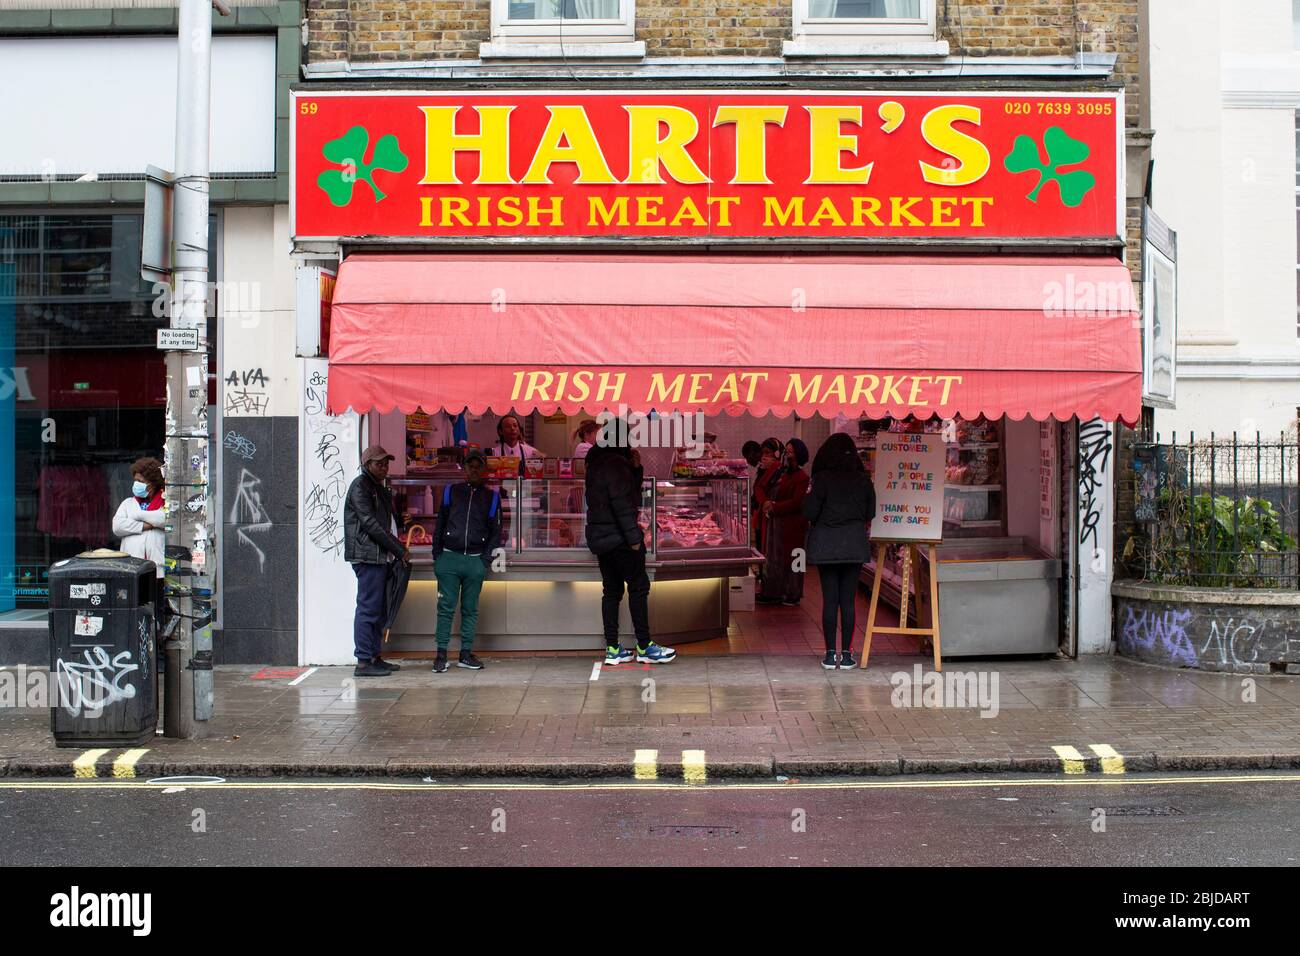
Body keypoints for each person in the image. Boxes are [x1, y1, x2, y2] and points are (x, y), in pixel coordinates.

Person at [584, 428, 675, 666]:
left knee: (611, 591)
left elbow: (621, 497)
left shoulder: (594, 462)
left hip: (601, 538)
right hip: (620, 538)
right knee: (638, 587)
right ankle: (644, 646)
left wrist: (635, 468)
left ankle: (613, 648)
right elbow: (625, 504)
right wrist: (634, 539)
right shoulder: (616, 464)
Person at [803, 433, 876, 669]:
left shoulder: (822, 479)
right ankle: (846, 656)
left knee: (829, 600)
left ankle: (829, 654)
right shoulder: (863, 480)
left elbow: (810, 513)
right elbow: (870, 513)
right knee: (848, 601)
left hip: (826, 545)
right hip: (853, 544)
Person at [430, 448, 502, 673]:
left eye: (478, 465)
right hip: (449, 558)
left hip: (475, 560)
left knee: (470, 609)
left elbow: (495, 532)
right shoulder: (451, 492)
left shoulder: (492, 497)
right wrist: (437, 554)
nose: (474, 469)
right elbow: (440, 522)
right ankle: (441, 654)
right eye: (470, 464)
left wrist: (485, 560)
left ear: (484, 469)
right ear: (464, 468)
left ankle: (465, 654)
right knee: (445, 608)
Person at [344, 445, 408, 677]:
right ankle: (363, 661)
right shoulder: (360, 487)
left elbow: (385, 520)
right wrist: (398, 548)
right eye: (379, 463)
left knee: (378, 609)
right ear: (366, 464)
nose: (384, 467)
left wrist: (400, 520)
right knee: (369, 609)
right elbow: (371, 525)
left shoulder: (377, 487)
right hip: (368, 556)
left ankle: (374, 656)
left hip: (380, 556)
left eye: (386, 463)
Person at [756, 438, 811, 606]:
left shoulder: (802, 477)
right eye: (787, 451)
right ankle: (773, 592)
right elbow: (759, 486)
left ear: (799, 455)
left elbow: (797, 502)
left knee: (796, 559)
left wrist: (774, 506)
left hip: (796, 526)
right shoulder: (779, 471)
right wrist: (765, 502)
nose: (788, 455)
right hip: (776, 523)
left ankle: (794, 593)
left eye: (792, 451)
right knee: (774, 558)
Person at [112, 457, 167, 579]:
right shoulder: (128, 503)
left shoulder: (165, 502)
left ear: (152, 483)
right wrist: (147, 525)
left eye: (140, 481)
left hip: (159, 570)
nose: (136, 484)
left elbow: (164, 519)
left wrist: (138, 516)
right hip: (132, 570)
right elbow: (117, 526)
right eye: (135, 480)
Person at [751, 437, 784, 551]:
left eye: (768, 453)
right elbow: (756, 489)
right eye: (763, 453)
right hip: (761, 516)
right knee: (761, 547)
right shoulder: (761, 471)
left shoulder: (781, 470)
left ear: (777, 454)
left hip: (773, 517)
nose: (764, 456)